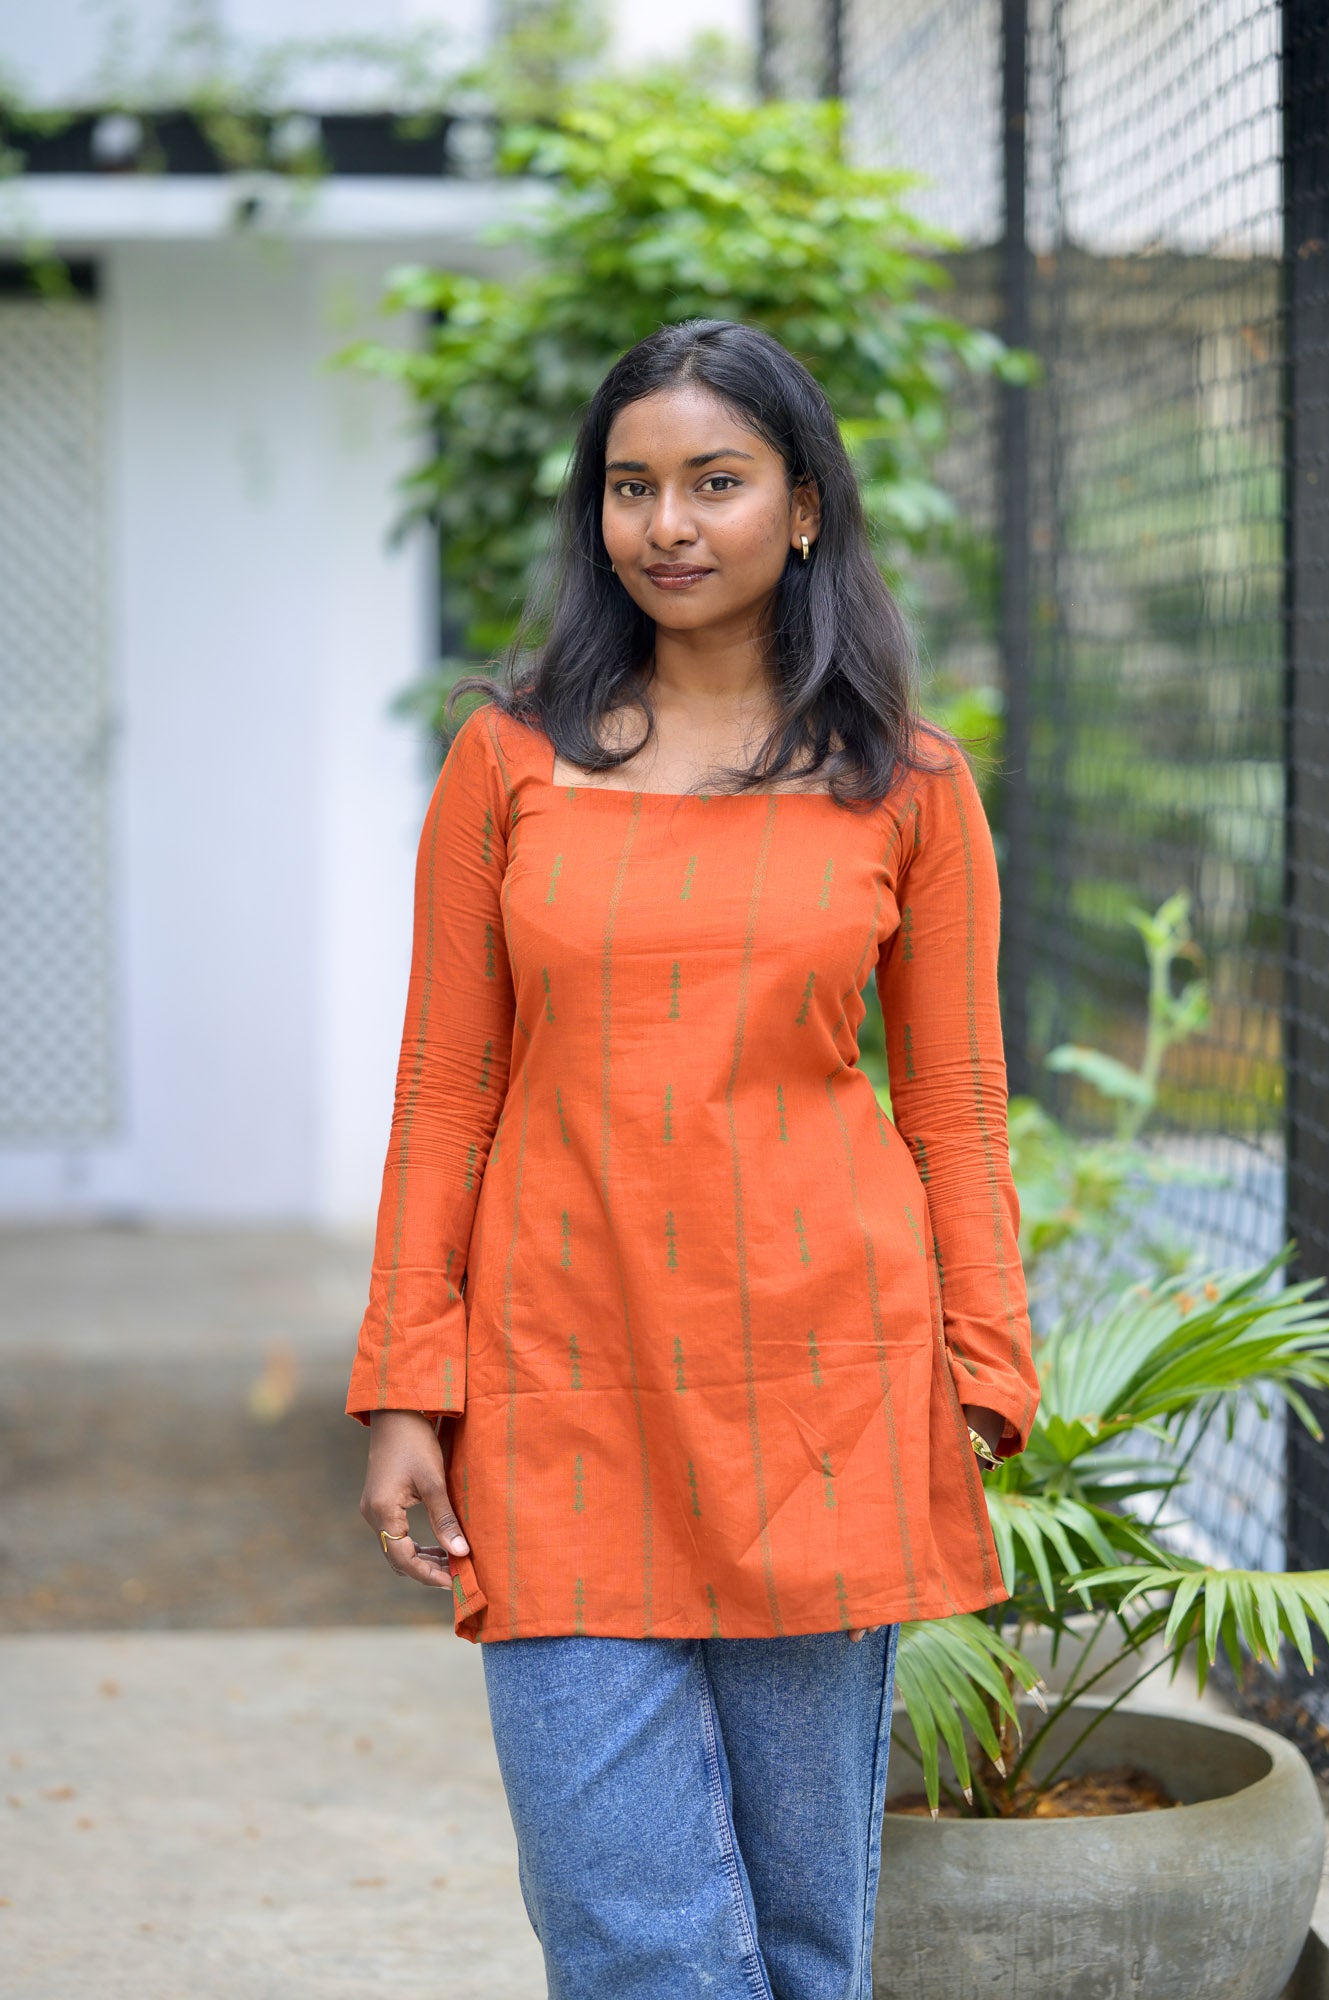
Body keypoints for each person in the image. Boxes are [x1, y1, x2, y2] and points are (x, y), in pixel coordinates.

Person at [345, 318, 1040, 2000]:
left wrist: (976, 1376)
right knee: (627, 1931)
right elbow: (446, 1086)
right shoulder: (508, 763)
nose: (666, 523)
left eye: (713, 484)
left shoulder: (906, 786)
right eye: (630, 486)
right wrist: (402, 1389)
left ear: (801, 508)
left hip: (819, 1394)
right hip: (559, 1389)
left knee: (805, 1940)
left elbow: (951, 1109)